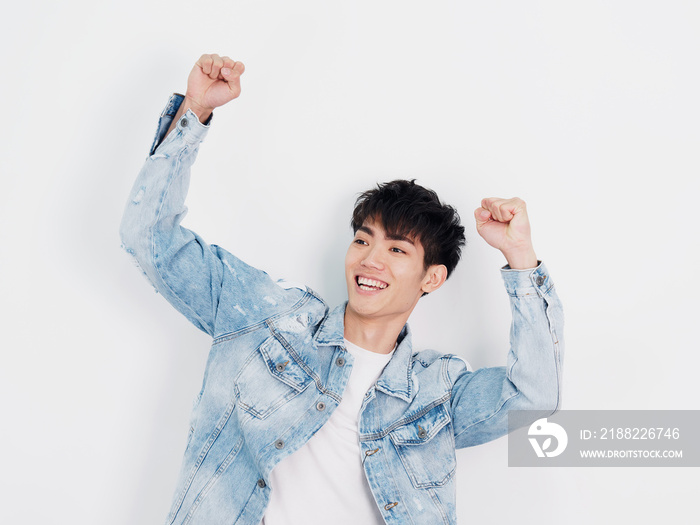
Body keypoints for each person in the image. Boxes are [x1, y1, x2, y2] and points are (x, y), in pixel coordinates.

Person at [120, 53, 564, 525]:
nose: (370, 259)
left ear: (431, 278)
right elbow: (149, 239)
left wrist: (521, 259)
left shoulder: (437, 392)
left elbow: (533, 398)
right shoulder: (268, 318)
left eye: (397, 251)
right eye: (362, 240)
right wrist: (194, 111)